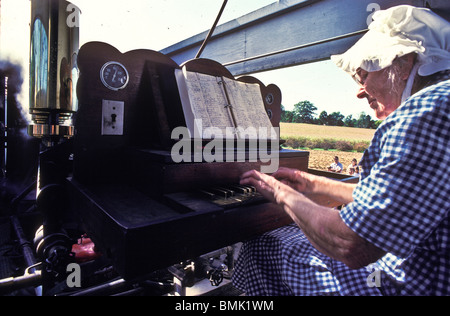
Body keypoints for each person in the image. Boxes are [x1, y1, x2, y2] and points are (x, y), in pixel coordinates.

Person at [232, 5, 450, 296]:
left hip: (417, 284)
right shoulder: (442, 103)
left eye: (363, 75)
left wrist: (282, 195)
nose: (359, 91)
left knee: (266, 244)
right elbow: (403, 200)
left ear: (405, 60)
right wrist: (317, 185)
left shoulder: (424, 113)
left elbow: (350, 245)